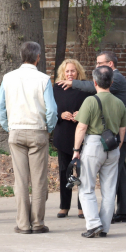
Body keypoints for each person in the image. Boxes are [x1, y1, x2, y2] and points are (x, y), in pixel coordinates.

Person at [58, 51, 126, 223]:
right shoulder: (115, 78)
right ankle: (123, 211)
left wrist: (72, 83)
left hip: (116, 137)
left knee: (112, 177)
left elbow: (95, 86)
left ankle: (112, 215)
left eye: (100, 64)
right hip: (117, 135)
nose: (97, 66)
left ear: (110, 64)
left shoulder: (117, 78)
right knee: (120, 173)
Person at [0, 41, 58, 234]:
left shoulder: (8, 78)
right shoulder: (43, 79)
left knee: (21, 181)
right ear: (38, 57)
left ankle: (23, 224)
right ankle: (38, 222)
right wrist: (48, 128)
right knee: (39, 180)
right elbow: (52, 110)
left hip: (16, 131)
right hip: (38, 131)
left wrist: (9, 127)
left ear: (21, 56)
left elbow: (0, 108)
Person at [73, 66, 126, 238]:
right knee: (109, 190)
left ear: (95, 82)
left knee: (86, 186)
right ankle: (104, 227)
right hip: (112, 147)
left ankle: (93, 224)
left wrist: (76, 150)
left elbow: (81, 127)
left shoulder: (90, 101)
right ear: (111, 82)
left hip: (94, 145)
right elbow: (122, 129)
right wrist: (117, 148)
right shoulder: (119, 103)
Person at [53, 59, 91, 219]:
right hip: (63, 133)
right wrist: (60, 115)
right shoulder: (56, 89)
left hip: (80, 135)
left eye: (73, 71)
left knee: (82, 172)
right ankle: (64, 206)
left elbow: (91, 108)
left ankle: (82, 207)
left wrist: (81, 115)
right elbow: (51, 110)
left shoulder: (84, 89)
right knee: (64, 171)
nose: (70, 74)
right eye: (67, 71)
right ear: (62, 72)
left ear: (78, 72)